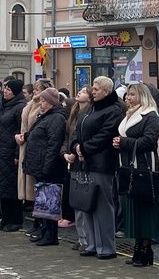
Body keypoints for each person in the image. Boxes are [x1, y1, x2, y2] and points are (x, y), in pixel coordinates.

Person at [67, 75, 123, 261]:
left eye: (96, 89)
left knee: (102, 206)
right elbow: (77, 130)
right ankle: (91, 243)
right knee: (87, 205)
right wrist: (75, 146)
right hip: (85, 162)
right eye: (93, 88)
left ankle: (106, 246)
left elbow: (106, 134)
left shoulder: (113, 110)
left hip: (102, 163)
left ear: (106, 91)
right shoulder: (90, 109)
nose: (93, 91)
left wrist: (84, 148)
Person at [115, 83, 159, 268]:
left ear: (142, 96)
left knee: (145, 210)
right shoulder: (130, 114)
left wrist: (124, 142)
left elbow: (149, 140)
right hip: (129, 167)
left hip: (145, 168)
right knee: (134, 209)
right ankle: (138, 247)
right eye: (127, 95)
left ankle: (146, 249)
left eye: (132, 95)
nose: (128, 98)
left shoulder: (150, 115)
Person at [21, 87, 66, 245]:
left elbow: (54, 144)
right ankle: (44, 231)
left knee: (49, 201)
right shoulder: (46, 116)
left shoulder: (56, 118)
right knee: (43, 201)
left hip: (49, 167)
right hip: (40, 164)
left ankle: (50, 235)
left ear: (51, 103)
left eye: (43, 101)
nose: (40, 103)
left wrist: (47, 166)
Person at [17, 79, 54, 237]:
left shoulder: (49, 111)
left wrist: (25, 136)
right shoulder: (32, 104)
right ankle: (38, 223)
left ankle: (45, 228)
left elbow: (40, 129)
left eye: (39, 90)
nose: (35, 93)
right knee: (35, 188)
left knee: (43, 190)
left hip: (38, 151)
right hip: (28, 147)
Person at [0, 79, 27, 232]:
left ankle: (15, 219)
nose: (5, 91)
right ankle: (5, 217)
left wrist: (17, 154)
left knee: (11, 188)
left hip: (11, 152)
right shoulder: (1, 107)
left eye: (9, 90)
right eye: (5, 89)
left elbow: (21, 131)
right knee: (1, 188)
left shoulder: (20, 108)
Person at [60, 86, 91, 243]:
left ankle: (87, 238)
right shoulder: (74, 111)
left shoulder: (91, 112)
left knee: (85, 199)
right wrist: (66, 152)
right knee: (76, 199)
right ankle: (81, 238)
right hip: (72, 157)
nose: (79, 92)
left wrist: (76, 151)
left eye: (84, 91)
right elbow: (68, 136)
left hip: (83, 158)